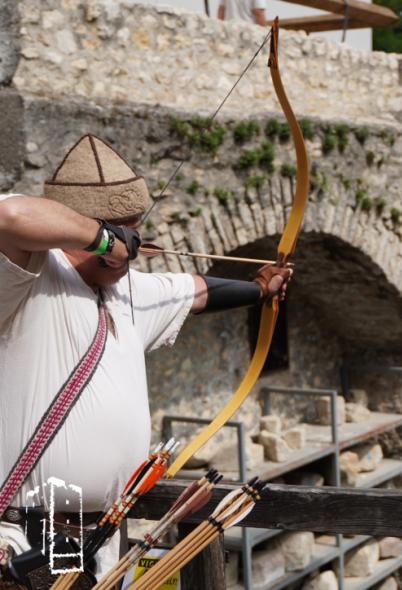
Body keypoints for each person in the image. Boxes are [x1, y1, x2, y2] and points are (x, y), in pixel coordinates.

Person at [0, 135, 291, 584]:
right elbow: (10, 215)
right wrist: (102, 239)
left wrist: (260, 289)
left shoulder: (128, 290)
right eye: (124, 232)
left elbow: (193, 290)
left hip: (101, 544)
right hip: (24, 541)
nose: (132, 247)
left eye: (136, 231)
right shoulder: (27, 278)